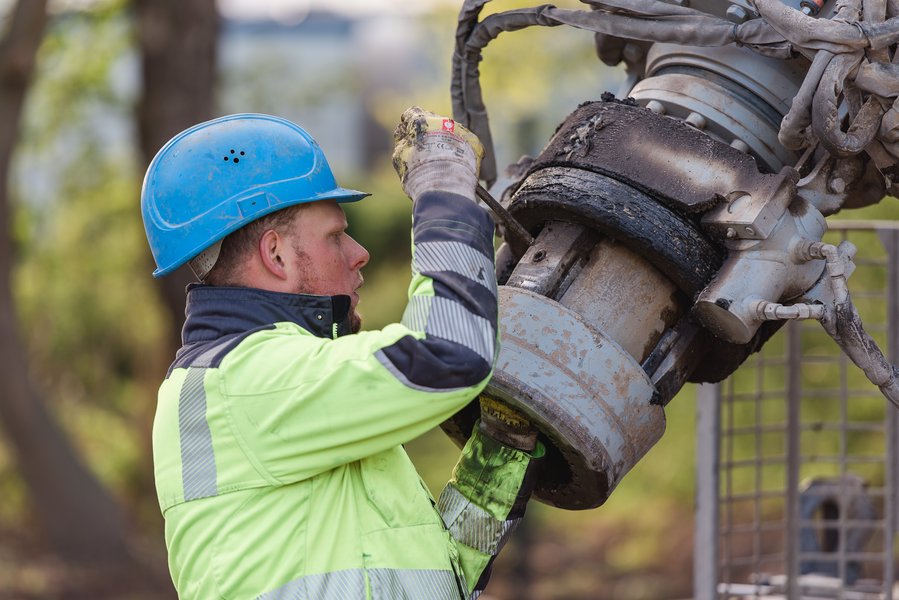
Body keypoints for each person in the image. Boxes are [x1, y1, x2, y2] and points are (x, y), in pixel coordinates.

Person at [141, 107, 544, 599]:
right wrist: (443, 183)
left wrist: (503, 448)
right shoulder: (245, 381)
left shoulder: (291, 395)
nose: (359, 253)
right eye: (335, 235)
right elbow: (448, 352)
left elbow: (434, 575)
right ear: (276, 255)